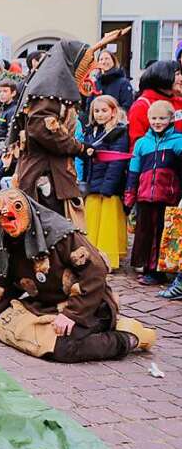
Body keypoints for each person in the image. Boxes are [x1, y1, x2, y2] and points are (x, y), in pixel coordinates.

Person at [0, 186, 155, 361]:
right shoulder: (7, 242)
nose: (7, 219)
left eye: (15, 209)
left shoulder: (61, 235)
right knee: (6, 328)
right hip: (47, 306)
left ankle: (126, 338)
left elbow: (95, 272)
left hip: (90, 306)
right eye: (0, 214)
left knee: (61, 349)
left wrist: (72, 314)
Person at [9, 34, 129, 227]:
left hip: (55, 171)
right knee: (49, 231)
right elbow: (42, 130)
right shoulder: (49, 94)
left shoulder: (54, 92)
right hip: (45, 173)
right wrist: (79, 148)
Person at [125, 99, 182, 285]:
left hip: (167, 196)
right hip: (145, 195)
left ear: (171, 118)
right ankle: (145, 266)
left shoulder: (178, 141)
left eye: (162, 118)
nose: (157, 122)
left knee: (162, 233)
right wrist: (130, 193)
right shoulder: (142, 143)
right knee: (144, 233)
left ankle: (158, 271)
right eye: (154, 118)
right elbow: (134, 169)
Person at [81, 95, 130, 270]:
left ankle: (108, 259)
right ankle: (91, 255)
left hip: (108, 187)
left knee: (108, 224)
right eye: (97, 111)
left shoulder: (118, 132)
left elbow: (116, 162)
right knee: (92, 221)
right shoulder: (92, 131)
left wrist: (107, 187)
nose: (100, 114)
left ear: (113, 112)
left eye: (104, 110)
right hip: (94, 182)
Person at [128, 60, 182, 148]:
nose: (181, 78)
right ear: (163, 75)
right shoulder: (142, 106)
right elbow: (137, 145)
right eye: (177, 74)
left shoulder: (178, 102)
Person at [90, 49, 134, 115]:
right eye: (101, 59)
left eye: (107, 58)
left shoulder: (123, 83)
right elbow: (89, 106)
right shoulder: (95, 83)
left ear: (114, 61)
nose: (104, 62)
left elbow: (126, 107)